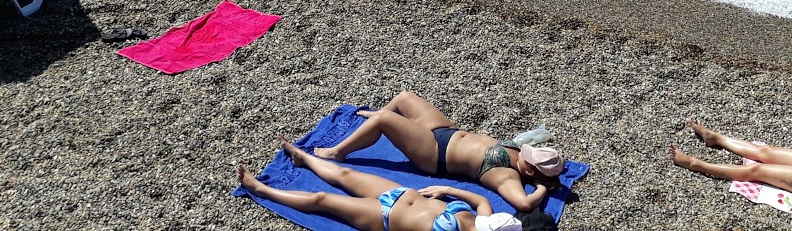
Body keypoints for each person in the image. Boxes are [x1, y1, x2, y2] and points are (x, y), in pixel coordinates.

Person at [314, 92, 562, 213]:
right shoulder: (521, 155)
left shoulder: (507, 177)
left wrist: (542, 187)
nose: (525, 153)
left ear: (529, 170)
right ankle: (377, 122)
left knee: (384, 119)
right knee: (404, 98)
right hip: (446, 131)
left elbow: (524, 204)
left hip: (434, 155)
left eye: (529, 158)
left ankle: (338, 151)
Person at [236, 133, 496, 231]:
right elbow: (481, 199)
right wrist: (447, 188)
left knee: (322, 200)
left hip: (383, 216)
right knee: (344, 175)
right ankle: (302, 157)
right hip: (402, 193)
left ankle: (260, 188)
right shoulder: (484, 221)